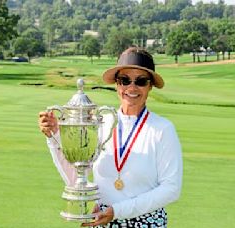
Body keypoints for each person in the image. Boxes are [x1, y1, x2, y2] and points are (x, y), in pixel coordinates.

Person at [38, 47, 183, 227]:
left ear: (150, 86)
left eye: (141, 81)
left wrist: (117, 211)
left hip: (146, 223)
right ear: (117, 84)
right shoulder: (103, 122)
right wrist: (54, 136)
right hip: (103, 221)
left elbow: (171, 189)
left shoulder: (162, 129)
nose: (132, 87)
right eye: (124, 80)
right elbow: (77, 175)